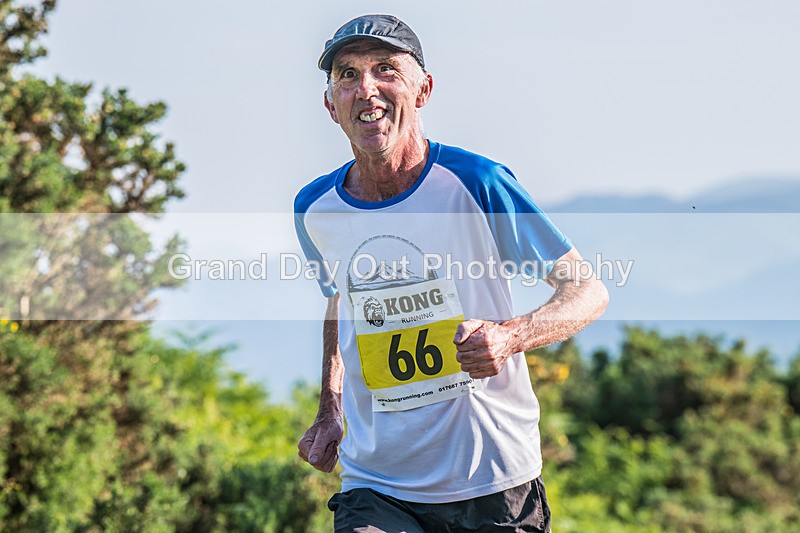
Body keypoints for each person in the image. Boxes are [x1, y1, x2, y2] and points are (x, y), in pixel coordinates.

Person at [294, 14, 608, 532]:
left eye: (386, 70)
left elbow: (587, 290)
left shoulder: (476, 182)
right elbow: (339, 300)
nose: (366, 89)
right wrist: (331, 405)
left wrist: (510, 337)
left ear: (423, 90)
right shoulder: (315, 208)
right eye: (347, 75)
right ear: (331, 103)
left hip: (491, 479)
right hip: (377, 484)